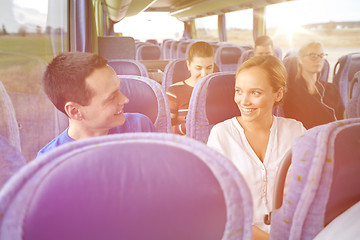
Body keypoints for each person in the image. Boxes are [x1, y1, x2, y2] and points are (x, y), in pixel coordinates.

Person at [207, 55, 306, 236]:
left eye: (255, 93)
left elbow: (311, 192)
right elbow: (219, 207)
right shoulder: (221, 135)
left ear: (278, 94)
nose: (243, 101)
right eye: (239, 91)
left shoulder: (296, 131)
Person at [37, 52, 156, 157]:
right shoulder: (51, 161)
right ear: (74, 111)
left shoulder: (140, 127)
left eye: (119, 89)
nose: (125, 99)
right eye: (111, 97)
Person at [283, 41, 344, 129]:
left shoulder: (332, 89)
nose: (318, 59)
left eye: (321, 56)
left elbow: (342, 119)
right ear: (300, 59)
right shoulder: (290, 93)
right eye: (313, 56)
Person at [166, 41, 215, 135]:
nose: (204, 74)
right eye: (198, 68)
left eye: (209, 68)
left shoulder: (219, 90)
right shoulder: (174, 91)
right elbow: (166, 130)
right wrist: (191, 126)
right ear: (188, 65)